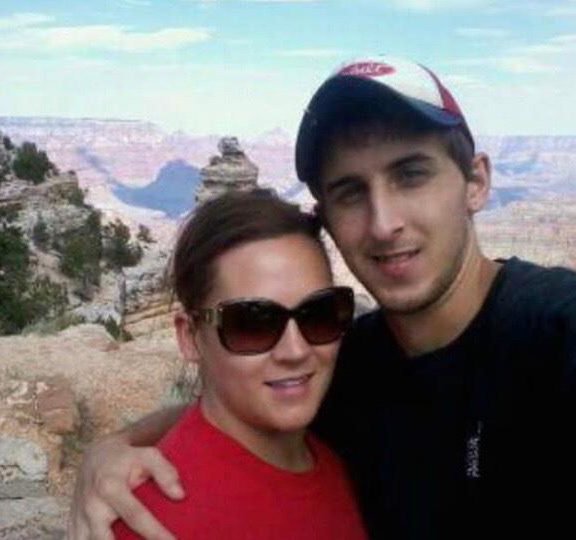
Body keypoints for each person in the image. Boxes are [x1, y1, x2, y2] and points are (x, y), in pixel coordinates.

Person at [68, 56, 576, 540]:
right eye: (351, 192)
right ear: (327, 217)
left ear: (476, 182)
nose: (384, 223)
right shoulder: (344, 358)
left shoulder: (555, 332)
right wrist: (112, 447)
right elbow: (240, 406)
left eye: (411, 175)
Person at [109, 189, 366, 539]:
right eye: (253, 323)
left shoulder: (342, 459)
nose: (295, 350)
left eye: (319, 314)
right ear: (190, 336)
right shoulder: (151, 522)